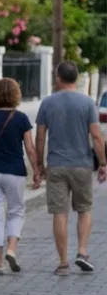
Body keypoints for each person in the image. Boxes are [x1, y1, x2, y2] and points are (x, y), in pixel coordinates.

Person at [35, 61, 107, 275]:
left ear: (58, 78)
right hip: (82, 164)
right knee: (84, 209)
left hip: (56, 165)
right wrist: (103, 163)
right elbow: (96, 136)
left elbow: (40, 137)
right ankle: (82, 252)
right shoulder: (87, 103)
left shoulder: (47, 103)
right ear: (76, 78)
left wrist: (39, 164)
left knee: (60, 212)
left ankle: (63, 262)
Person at [0, 77, 40, 276]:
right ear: (16, 95)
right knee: (16, 211)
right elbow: (30, 149)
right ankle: (11, 249)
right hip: (15, 172)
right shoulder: (21, 118)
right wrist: (36, 171)